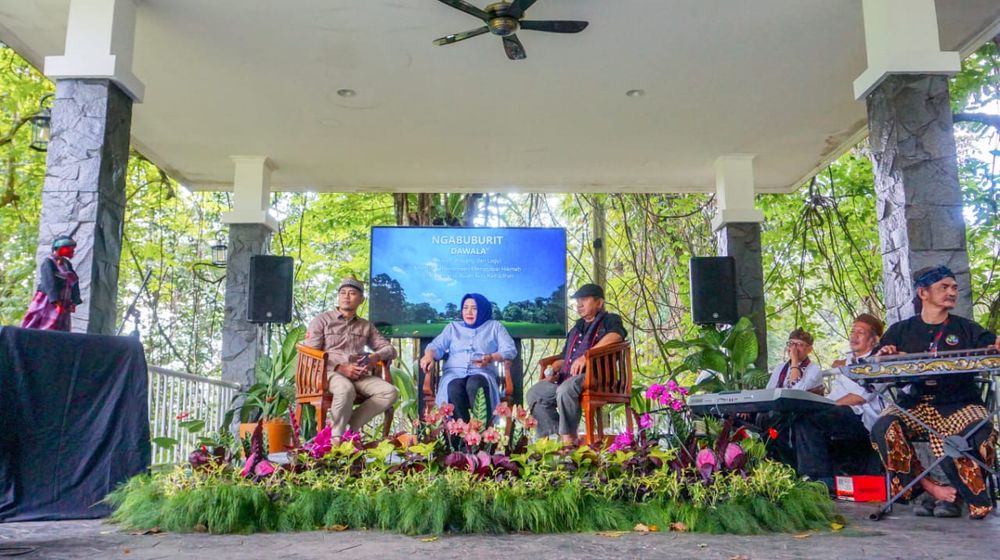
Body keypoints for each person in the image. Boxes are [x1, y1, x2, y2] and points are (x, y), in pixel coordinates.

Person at [869, 265, 1000, 519]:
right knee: (883, 427)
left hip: (959, 403)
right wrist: (886, 357)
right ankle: (929, 490)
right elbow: (878, 365)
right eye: (944, 287)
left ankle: (961, 495)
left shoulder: (967, 329)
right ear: (923, 293)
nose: (952, 292)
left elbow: (993, 348)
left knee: (979, 432)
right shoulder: (901, 330)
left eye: (954, 287)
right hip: (915, 403)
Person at [525, 283, 627, 444]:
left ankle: (568, 440)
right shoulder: (577, 327)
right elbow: (565, 357)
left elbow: (616, 336)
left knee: (565, 389)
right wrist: (555, 367)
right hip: (569, 378)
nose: (579, 305)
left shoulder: (610, 319)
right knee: (536, 392)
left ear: (599, 303)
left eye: (584, 300)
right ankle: (554, 435)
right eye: (578, 301)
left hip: (597, 377)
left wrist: (586, 356)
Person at [794, 314, 886, 490]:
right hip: (838, 410)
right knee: (796, 417)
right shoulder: (847, 361)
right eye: (853, 331)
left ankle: (821, 482)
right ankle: (804, 477)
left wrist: (824, 406)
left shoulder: (878, 362)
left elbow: (859, 397)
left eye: (861, 332)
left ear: (874, 340)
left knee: (814, 418)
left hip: (862, 417)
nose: (854, 336)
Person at [303, 277, 399, 444]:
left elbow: (390, 350)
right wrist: (340, 367)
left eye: (352, 293)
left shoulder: (365, 326)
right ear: (338, 297)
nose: (346, 296)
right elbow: (311, 353)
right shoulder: (322, 320)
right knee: (345, 389)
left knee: (390, 392)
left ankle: (349, 429)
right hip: (329, 373)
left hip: (359, 374)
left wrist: (374, 357)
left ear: (361, 300)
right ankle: (335, 443)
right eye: (343, 293)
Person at [419, 293, 516, 424]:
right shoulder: (453, 327)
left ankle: (482, 435)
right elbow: (436, 346)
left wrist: (492, 357)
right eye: (465, 308)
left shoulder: (494, 327)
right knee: (453, 387)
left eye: (474, 308)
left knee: (474, 383)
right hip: (454, 373)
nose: (468, 312)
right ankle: (459, 438)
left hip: (482, 372)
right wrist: (429, 355)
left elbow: (510, 349)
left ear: (482, 310)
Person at [760, 328, 823, 466]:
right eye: (791, 344)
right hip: (776, 414)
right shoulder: (780, 368)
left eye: (799, 345)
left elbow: (796, 392)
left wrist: (794, 362)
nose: (794, 348)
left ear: (809, 349)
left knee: (778, 428)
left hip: (799, 414)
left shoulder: (814, 370)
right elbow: (769, 392)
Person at [21, 236, 83, 332]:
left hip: (64, 300)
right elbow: (49, 281)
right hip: (48, 300)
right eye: (69, 248)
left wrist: (75, 300)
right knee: (42, 322)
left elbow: (74, 282)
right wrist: (55, 300)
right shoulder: (49, 262)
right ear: (60, 248)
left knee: (60, 325)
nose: (72, 251)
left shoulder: (67, 264)